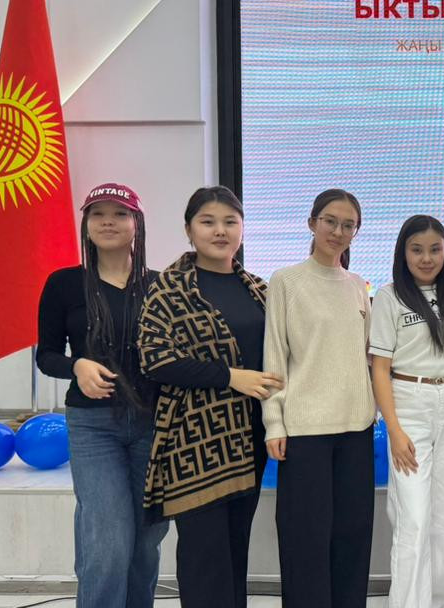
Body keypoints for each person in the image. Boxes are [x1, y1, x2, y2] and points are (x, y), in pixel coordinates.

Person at [139, 186, 278, 608]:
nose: (220, 231)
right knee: (204, 553)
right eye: (208, 222)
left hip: (251, 435)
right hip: (194, 439)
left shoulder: (260, 289)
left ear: (242, 230)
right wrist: (230, 377)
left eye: (230, 222)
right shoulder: (167, 289)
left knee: (235, 546)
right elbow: (155, 360)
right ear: (189, 230)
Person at [36, 183, 168, 608]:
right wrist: (77, 365)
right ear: (86, 225)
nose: (108, 222)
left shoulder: (161, 286)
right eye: (98, 214)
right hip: (93, 426)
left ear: (137, 224)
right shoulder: (63, 284)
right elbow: (47, 355)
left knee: (146, 540)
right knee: (108, 538)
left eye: (120, 213)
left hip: (153, 424)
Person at [262, 188, 377, 607]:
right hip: (305, 430)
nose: (338, 231)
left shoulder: (358, 286)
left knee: (352, 537)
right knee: (305, 541)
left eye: (348, 225)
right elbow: (275, 356)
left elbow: (367, 358)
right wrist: (274, 422)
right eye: (330, 221)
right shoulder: (286, 281)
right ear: (312, 223)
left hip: (356, 429)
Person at [369, 215, 444, 608]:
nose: (426, 258)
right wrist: (394, 430)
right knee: (412, 518)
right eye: (417, 250)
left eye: (435, 249)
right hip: (410, 403)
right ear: (403, 253)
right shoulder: (389, 296)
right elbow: (380, 368)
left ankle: (435, 601)